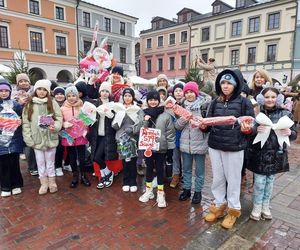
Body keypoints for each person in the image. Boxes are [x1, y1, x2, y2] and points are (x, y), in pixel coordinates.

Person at [202, 69, 255, 229]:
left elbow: (252, 125)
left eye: (229, 83)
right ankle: (219, 205)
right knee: (217, 178)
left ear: (236, 84)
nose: (225, 86)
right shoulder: (215, 102)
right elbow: (208, 124)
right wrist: (203, 126)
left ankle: (233, 210)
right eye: (223, 83)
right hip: (215, 146)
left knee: (233, 180)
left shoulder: (244, 103)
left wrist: (248, 129)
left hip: (234, 147)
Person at [247, 87, 297, 221]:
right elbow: (249, 134)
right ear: (262, 99)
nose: (270, 100)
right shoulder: (257, 113)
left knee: (270, 182)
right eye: (267, 97)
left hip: (276, 154)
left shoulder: (285, 114)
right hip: (259, 154)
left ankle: (266, 206)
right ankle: (257, 207)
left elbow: (293, 134)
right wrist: (255, 130)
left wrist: (290, 133)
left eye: (273, 97)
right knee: (259, 182)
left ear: (278, 98)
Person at [22, 79, 62, 195]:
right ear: (35, 90)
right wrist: (29, 139)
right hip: (37, 139)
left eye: (44, 90)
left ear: (48, 91)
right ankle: (43, 183)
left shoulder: (52, 102)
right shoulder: (29, 104)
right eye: (39, 89)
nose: (42, 92)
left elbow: (59, 117)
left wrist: (56, 126)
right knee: (40, 162)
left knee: (50, 162)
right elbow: (26, 123)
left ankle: (52, 182)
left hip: (50, 137)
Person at [175, 81, 211, 204]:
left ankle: (198, 192)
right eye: (187, 92)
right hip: (185, 144)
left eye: (192, 92)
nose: (189, 95)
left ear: (196, 93)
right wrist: (184, 118)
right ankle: (186, 189)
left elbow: (208, 127)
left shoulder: (204, 106)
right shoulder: (181, 107)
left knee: (200, 170)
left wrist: (203, 125)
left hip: (200, 143)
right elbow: (177, 126)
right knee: (187, 169)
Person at [139, 90, 175, 208]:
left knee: (160, 169)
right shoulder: (143, 113)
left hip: (161, 148)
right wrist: (145, 121)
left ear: (159, 101)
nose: (153, 102)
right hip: (148, 147)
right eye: (150, 100)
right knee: (149, 168)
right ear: (147, 101)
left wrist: (170, 149)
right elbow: (140, 130)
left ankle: (160, 192)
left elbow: (170, 133)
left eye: (155, 100)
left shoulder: (166, 116)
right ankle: (148, 190)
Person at [112, 88, 144, 192]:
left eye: (129, 96)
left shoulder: (137, 109)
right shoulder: (119, 108)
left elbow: (140, 123)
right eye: (125, 96)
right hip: (122, 139)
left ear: (132, 97)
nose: (127, 98)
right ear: (123, 97)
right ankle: (126, 181)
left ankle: (133, 182)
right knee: (125, 162)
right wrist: (117, 122)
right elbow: (114, 125)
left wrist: (132, 129)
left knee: (132, 162)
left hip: (132, 139)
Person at [88, 81, 118, 189]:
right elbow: (88, 119)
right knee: (95, 158)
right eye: (103, 91)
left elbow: (114, 119)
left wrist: (107, 113)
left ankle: (107, 174)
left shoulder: (113, 104)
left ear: (109, 93)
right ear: (100, 92)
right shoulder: (95, 103)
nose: (104, 93)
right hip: (96, 135)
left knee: (97, 157)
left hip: (107, 135)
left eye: (106, 91)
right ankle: (106, 175)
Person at [61, 86, 91, 188]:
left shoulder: (82, 107)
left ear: (77, 96)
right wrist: (64, 124)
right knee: (72, 157)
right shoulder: (63, 108)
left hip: (80, 136)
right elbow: (60, 120)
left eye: (73, 95)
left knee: (82, 157)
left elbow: (87, 121)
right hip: (69, 136)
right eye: (68, 96)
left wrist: (86, 129)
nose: (71, 98)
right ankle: (75, 176)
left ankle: (83, 175)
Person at [0, 79, 24, 197]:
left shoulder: (15, 105)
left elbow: (22, 116)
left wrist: (20, 121)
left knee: (14, 162)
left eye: (6, 91)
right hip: (1, 140)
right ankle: (5, 186)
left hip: (14, 139)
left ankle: (16, 184)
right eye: (1, 91)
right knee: (3, 163)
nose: (4, 93)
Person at [13, 73, 38, 176]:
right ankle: (32, 167)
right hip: (22, 124)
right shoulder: (13, 96)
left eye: (25, 81)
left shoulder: (35, 93)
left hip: (35, 122)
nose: (23, 83)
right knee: (28, 145)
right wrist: (19, 104)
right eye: (21, 81)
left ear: (29, 82)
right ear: (18, 84)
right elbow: (11, 112)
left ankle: (40, 164)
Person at [169, 83, 184, 188]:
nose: (178, 92)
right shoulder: (170, 105)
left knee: (185, 158)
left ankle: (184, 176)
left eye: (180, 90)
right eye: (176, 91)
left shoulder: (187, 103)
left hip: (185, 134)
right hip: (174, 134)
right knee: (175, 157)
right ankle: (176, 175)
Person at [53, 87, 66, 177]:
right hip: (54, 130)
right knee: (57, 149)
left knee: (65, 148)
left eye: (61, 94)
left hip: (66, 131)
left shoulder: (67, 104)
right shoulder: (51, 105)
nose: (59, 96)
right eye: (57, 94)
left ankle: (63, 165)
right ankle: (56, 166)